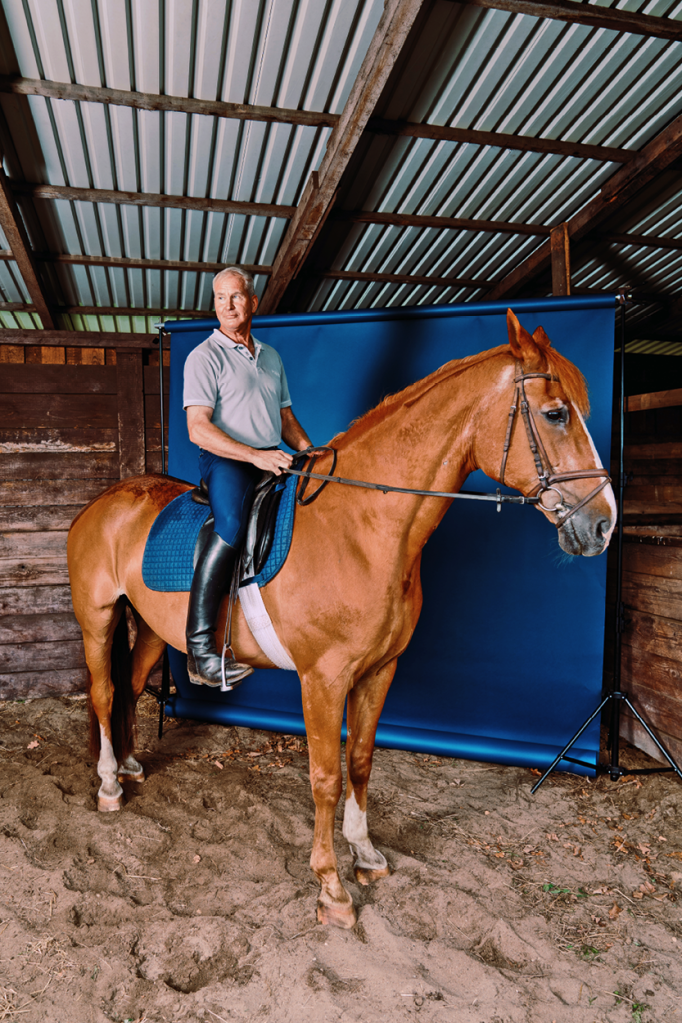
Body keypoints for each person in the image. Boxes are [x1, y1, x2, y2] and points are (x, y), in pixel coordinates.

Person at [183, 267, 312, 687]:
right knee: (232, 525)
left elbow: (285, 417)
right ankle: (201, 652)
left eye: (235, 296)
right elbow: (197, 428)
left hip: (271, 456)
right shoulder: (204, 356)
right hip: (227, 460)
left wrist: (311, 453)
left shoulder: (271, 357)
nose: (227, 305)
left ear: (253, 302)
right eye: (220, 298)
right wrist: (253, 455)